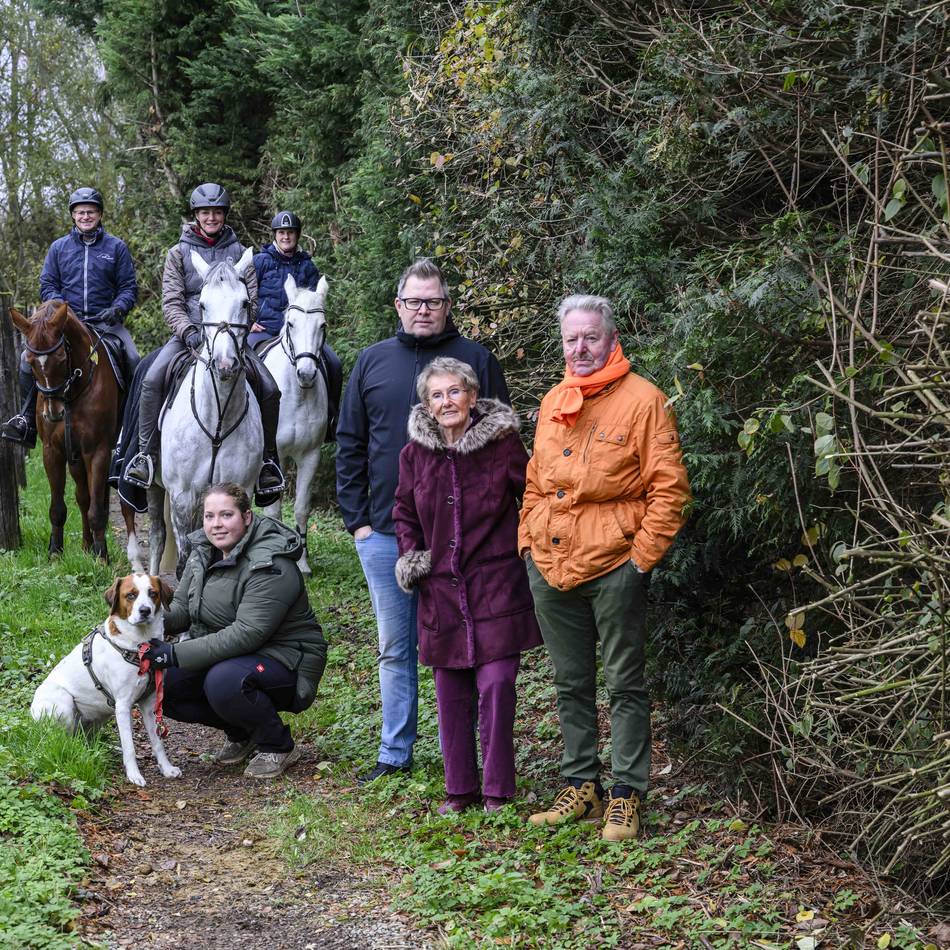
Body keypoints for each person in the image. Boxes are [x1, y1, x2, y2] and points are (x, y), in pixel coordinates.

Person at [519, 294, 690, 841]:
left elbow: (670, 489)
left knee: (624, 684)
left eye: (591, 336)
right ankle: (582, 787)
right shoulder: (553, 401)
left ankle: (627, 795)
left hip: (614, 564)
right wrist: (528, 541)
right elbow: (535, 480)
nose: (581, 347)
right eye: (572, 338)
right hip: (551, 563)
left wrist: (639, 560)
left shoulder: (645, 401)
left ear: (612, 339)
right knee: (570, 683)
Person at [336, 258, 510, 785]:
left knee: (470, 645)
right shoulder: (371, 362)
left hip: (466, 542)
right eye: (414, 301)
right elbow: (350, 442)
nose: (423, 310)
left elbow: (505, 443)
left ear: (447, 306)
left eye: (433, 301)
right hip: (387, 533)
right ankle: (396, 751)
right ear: (398, 305)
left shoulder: (475, 359)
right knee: (396, 645)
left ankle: (472, 760)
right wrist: (358, 522)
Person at [393, 358, 541, 813]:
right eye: (437, 395)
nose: (447, 402)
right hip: (440, 590)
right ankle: (459, 792)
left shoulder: (502, 444)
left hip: (496, 584)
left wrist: (528, 549)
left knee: (497, 684)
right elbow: (402, 511)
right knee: (450, 693)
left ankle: (498, 792)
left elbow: (531, 496)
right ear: (427, 405)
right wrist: (414, 556)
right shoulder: (414, 454)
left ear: (473, 396)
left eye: (454, 392)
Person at [142, 481, 328, 779]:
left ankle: (278, 744)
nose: (216, 524)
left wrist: (174, 653)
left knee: (224, 681)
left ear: (247, 517)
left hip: (284, 658)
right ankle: (243, 732)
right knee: (165, 684)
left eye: (226, 515)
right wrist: (141, 613)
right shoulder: (204, 551)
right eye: (209, 516)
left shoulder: (271, 563)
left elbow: (247, 633)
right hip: (233, 655)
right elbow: (182, 611)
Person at [122, 183, 284, 504]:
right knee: (153, 380)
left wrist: (236, 332)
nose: (211, 217)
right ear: (196, 215)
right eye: (205, 212)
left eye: (217, 212)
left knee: (269, 387)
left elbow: (251, 301)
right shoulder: (178, 253)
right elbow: (171, 301)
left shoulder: (240, 253)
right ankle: (145, 456)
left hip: (232, 340)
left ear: (224, 215)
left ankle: (267, 463)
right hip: (190, 337)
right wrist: (189, 332)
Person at [1, 187, 139, 448]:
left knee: (134, 359)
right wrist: (61, 310)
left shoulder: (116, 247)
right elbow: (48, 285)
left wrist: (118, 308)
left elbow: (128, 288)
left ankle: (130, 433)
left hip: (105, 324)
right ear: (73, 216)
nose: (85, 216)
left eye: (91, 211)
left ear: (99, 214)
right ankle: (26, 420)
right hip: (65, 325)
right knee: (24, 360)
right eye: (80, 212)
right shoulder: (59, 248)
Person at [251, 210, 343, 439]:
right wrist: (249, 321)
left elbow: (315, 302)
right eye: (282, 232)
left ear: (297, 235)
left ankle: (331, 418)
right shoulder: (259, 262)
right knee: (245, 362)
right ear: (275, 235)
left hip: (299, 334)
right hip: (264, 330)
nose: (285, 237)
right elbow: (246, 294)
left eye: (290, 233)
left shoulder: (307, 265)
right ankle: (249, 418)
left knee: (333, 362)